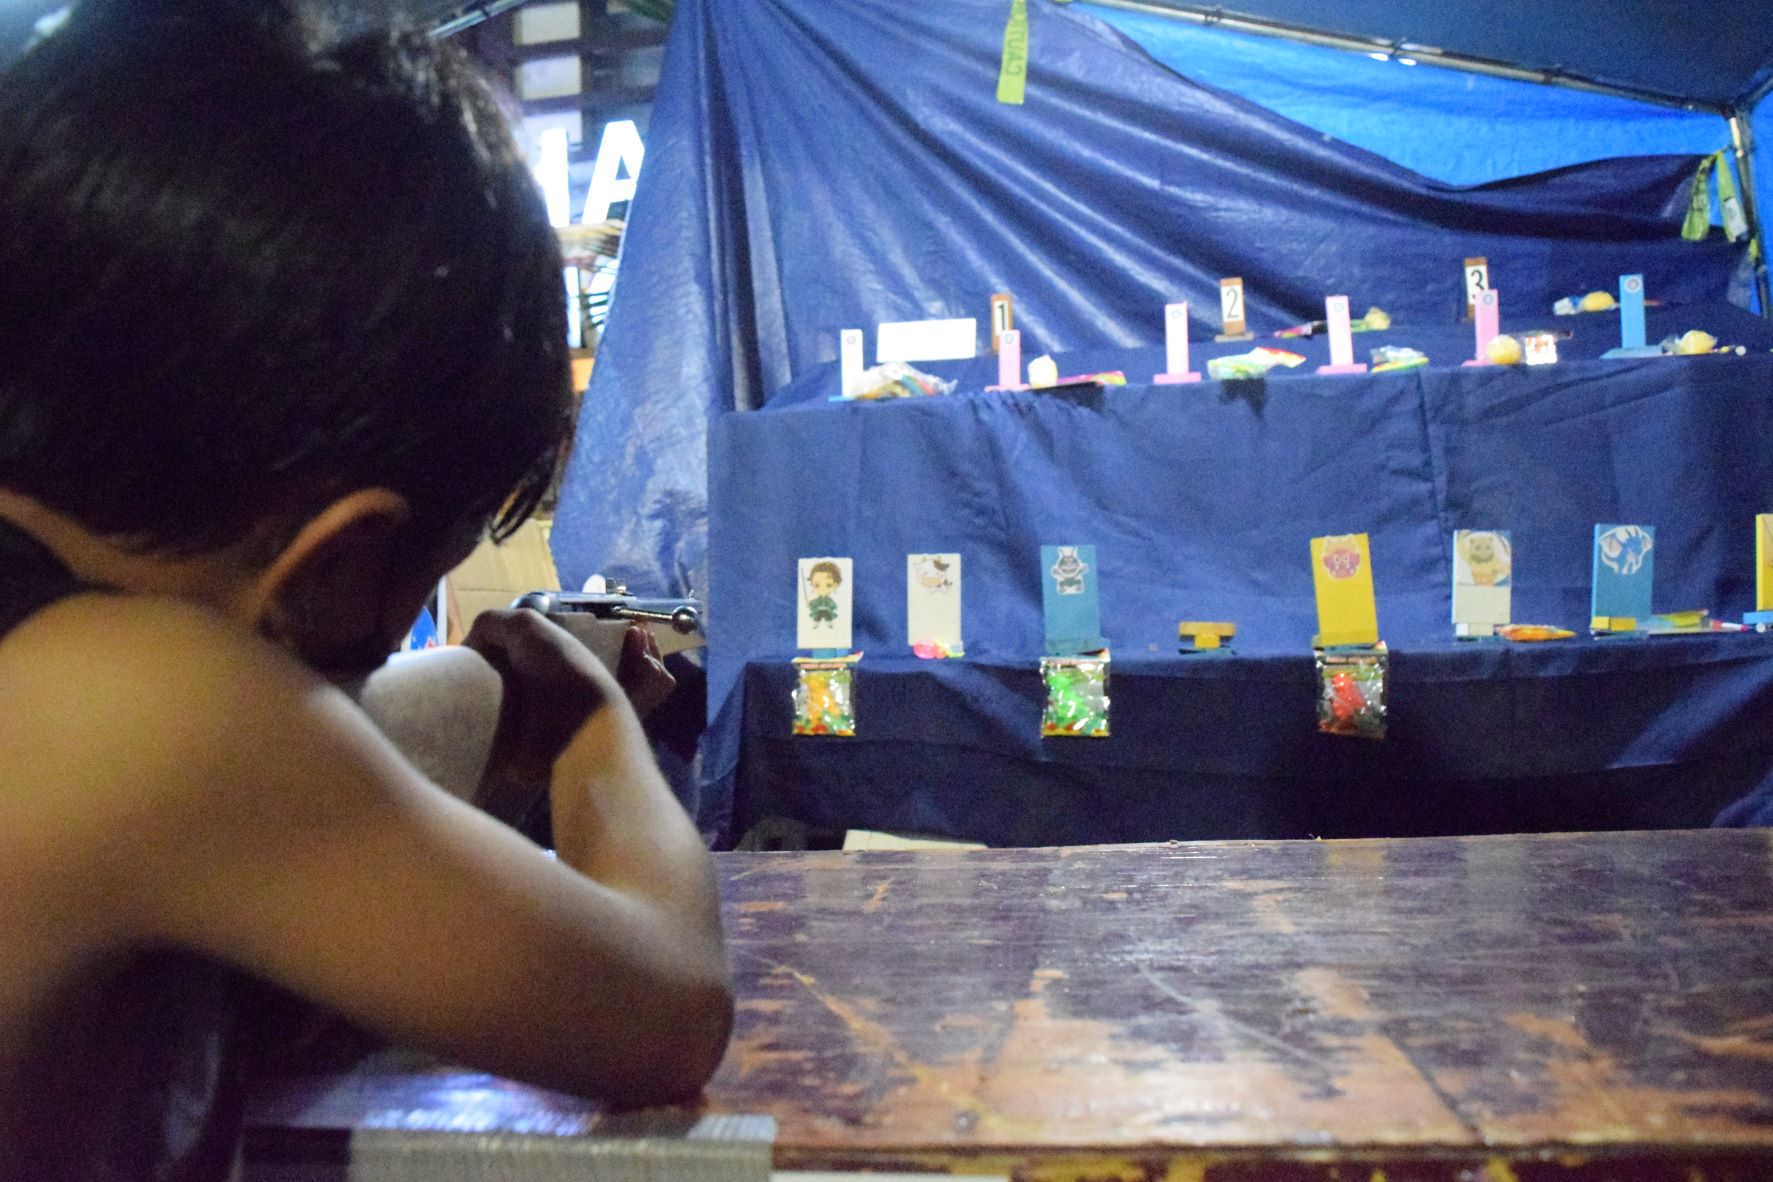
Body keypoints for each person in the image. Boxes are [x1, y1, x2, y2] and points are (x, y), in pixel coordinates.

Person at [0, 2, 731, 1179]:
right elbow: (668, 1008)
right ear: (335, 560)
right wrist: (593, 724)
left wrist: (478, 735)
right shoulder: (136, 706)